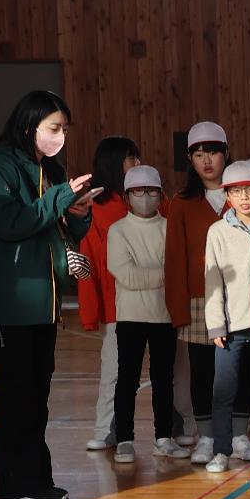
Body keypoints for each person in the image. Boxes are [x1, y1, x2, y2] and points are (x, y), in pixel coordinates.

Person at [0, 89, 97, 499]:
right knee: (15, 395)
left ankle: (36, 480)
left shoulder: (51, 171)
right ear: (29, 127)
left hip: (43, 304)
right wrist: (59, 199)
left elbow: (57, 231)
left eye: (64, 129)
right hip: (9, 303)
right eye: (54, 128)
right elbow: (10, 222)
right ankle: (15, 485)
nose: (61, 136)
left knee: (36, 397)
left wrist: (78, 213)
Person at [107, 164, 185, 464]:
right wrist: (164, 273)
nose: (144, 197)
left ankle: (164, 437)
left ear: (160, 195)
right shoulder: (118, 230)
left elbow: (176, 270)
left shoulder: (170, 228)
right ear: (127, 196)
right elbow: (126, 275)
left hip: (164, 316)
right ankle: (124, 439)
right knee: (127, 379)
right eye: (137, 192)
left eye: (151, 191)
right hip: (129, 317)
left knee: (164, 379)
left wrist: (156, 273)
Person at [203, 161, 250, 473]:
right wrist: (215, 322)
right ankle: (221, 450)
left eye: (249, 189)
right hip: (231, 325)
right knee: (223, 390)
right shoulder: (217, 231)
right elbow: (213, 280)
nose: (243, 197)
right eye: (235, 191)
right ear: (227, 196)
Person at [166, 120, 228, 462]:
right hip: (199, 300)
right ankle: (205, 437)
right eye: (199, 154)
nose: (206, 161)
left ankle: (238, 435)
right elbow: (174, 259)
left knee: (242, 368)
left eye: (213, 152)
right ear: (190, 159)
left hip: (241, 298)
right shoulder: (182, 203)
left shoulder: (243, 195)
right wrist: (177, 309)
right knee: (203, 370)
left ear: (225, 155)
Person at [77, 135, 142, 452]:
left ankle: (177, 430)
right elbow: (86, 263)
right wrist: (91, 313)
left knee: (170, 371)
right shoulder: (95, 209)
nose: (137, 165)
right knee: (114, 373)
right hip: (118, 309)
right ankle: (106, 430)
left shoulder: (150, 198)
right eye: (131, 158)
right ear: (114, 163)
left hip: (157, 305)